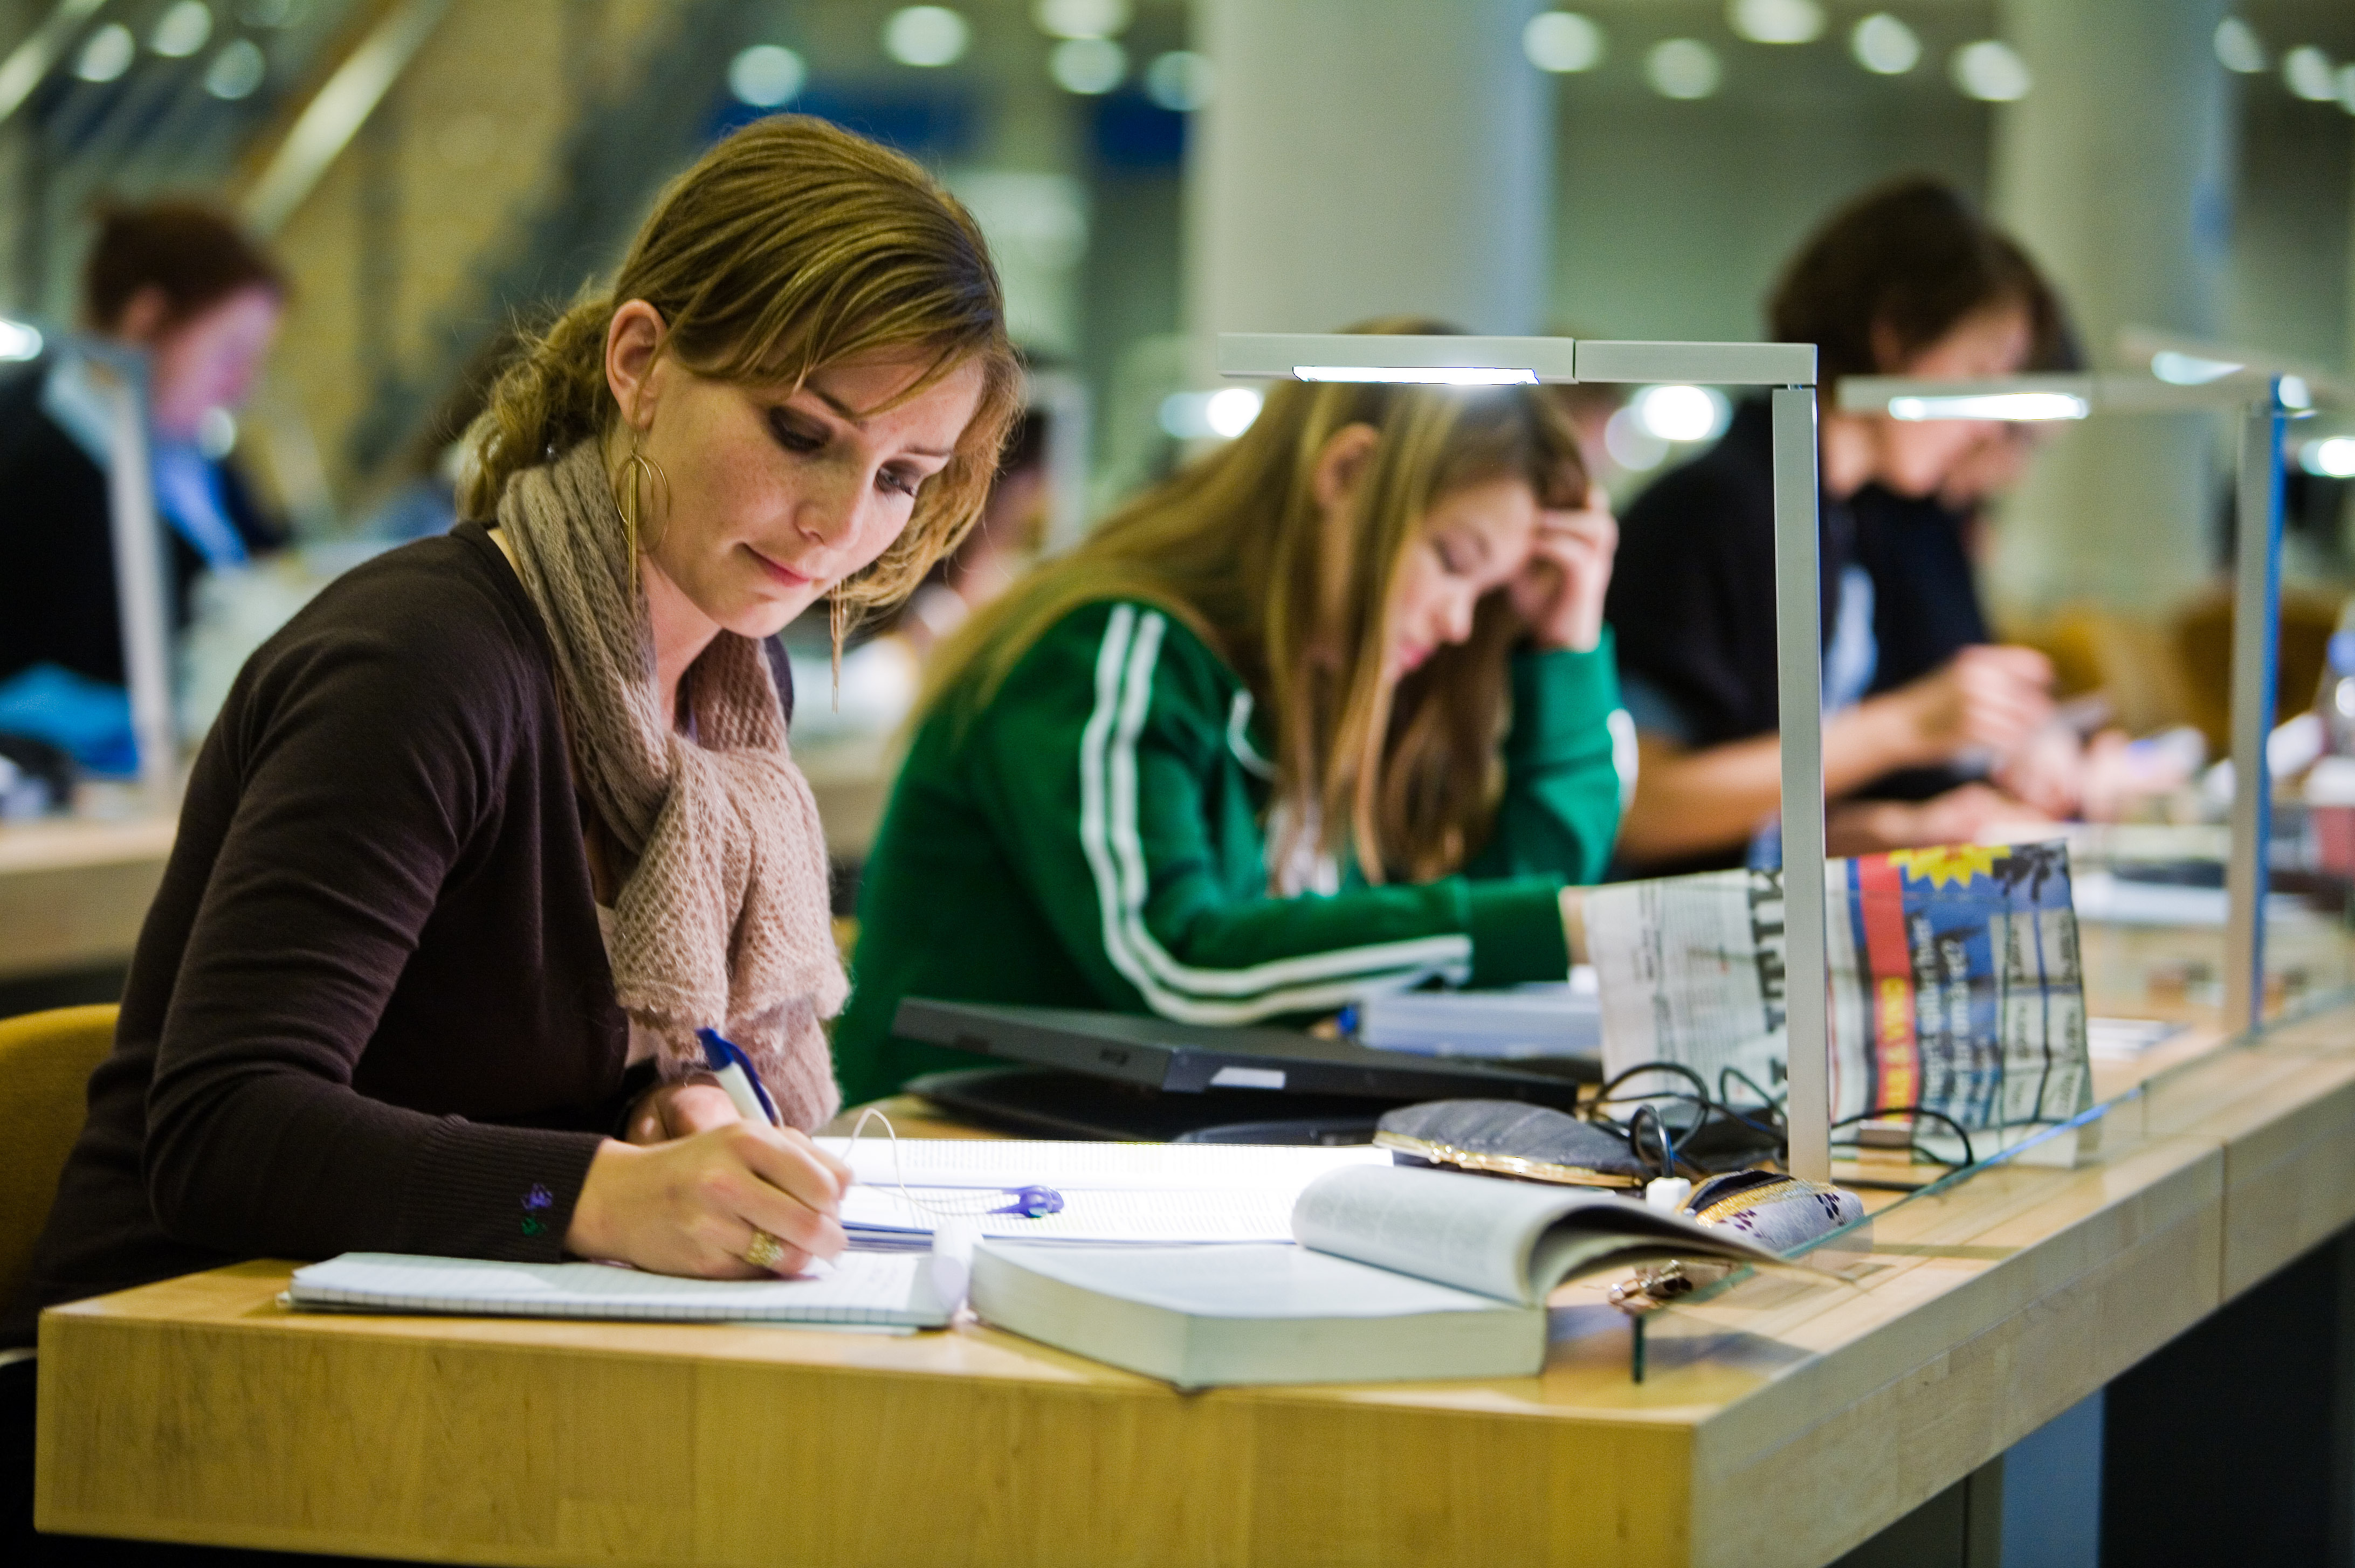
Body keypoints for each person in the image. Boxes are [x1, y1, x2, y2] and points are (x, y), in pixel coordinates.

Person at [4, 115, 1019, 1562]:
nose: (836, 522)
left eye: (902, 475)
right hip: (184, 1395)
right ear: (640, 364)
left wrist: (674, 1105)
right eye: (801, 433)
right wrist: (602, 1189)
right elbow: (222, 1129)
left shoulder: (731, 690)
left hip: (450, 1377)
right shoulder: (428, 665)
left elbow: (548, 1056)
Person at [834, 323, 1628, 1104]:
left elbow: (1511, 923)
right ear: (1347, 473)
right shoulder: (1108, 646)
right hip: (946, 1148)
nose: (1458, 623)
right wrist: (1551, 925)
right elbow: (1177, 966)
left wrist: (1566, 648)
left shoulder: (1319, 689)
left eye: (1485, 594)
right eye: (1453, 561)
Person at [1606, 177, 2064, 875]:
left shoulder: (1843, 515)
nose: (1986, 423)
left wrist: (1898, 829)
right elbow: (1641, 809)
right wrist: (1907, 726)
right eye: (1979, 371)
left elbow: (1767, 821)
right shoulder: (1713, 511)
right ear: (1895, 336)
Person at [0, 202, 289, 771]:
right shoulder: (28, 460)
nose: (242, 386)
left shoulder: (199, 457)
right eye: (230, 355)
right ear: (146, 320)